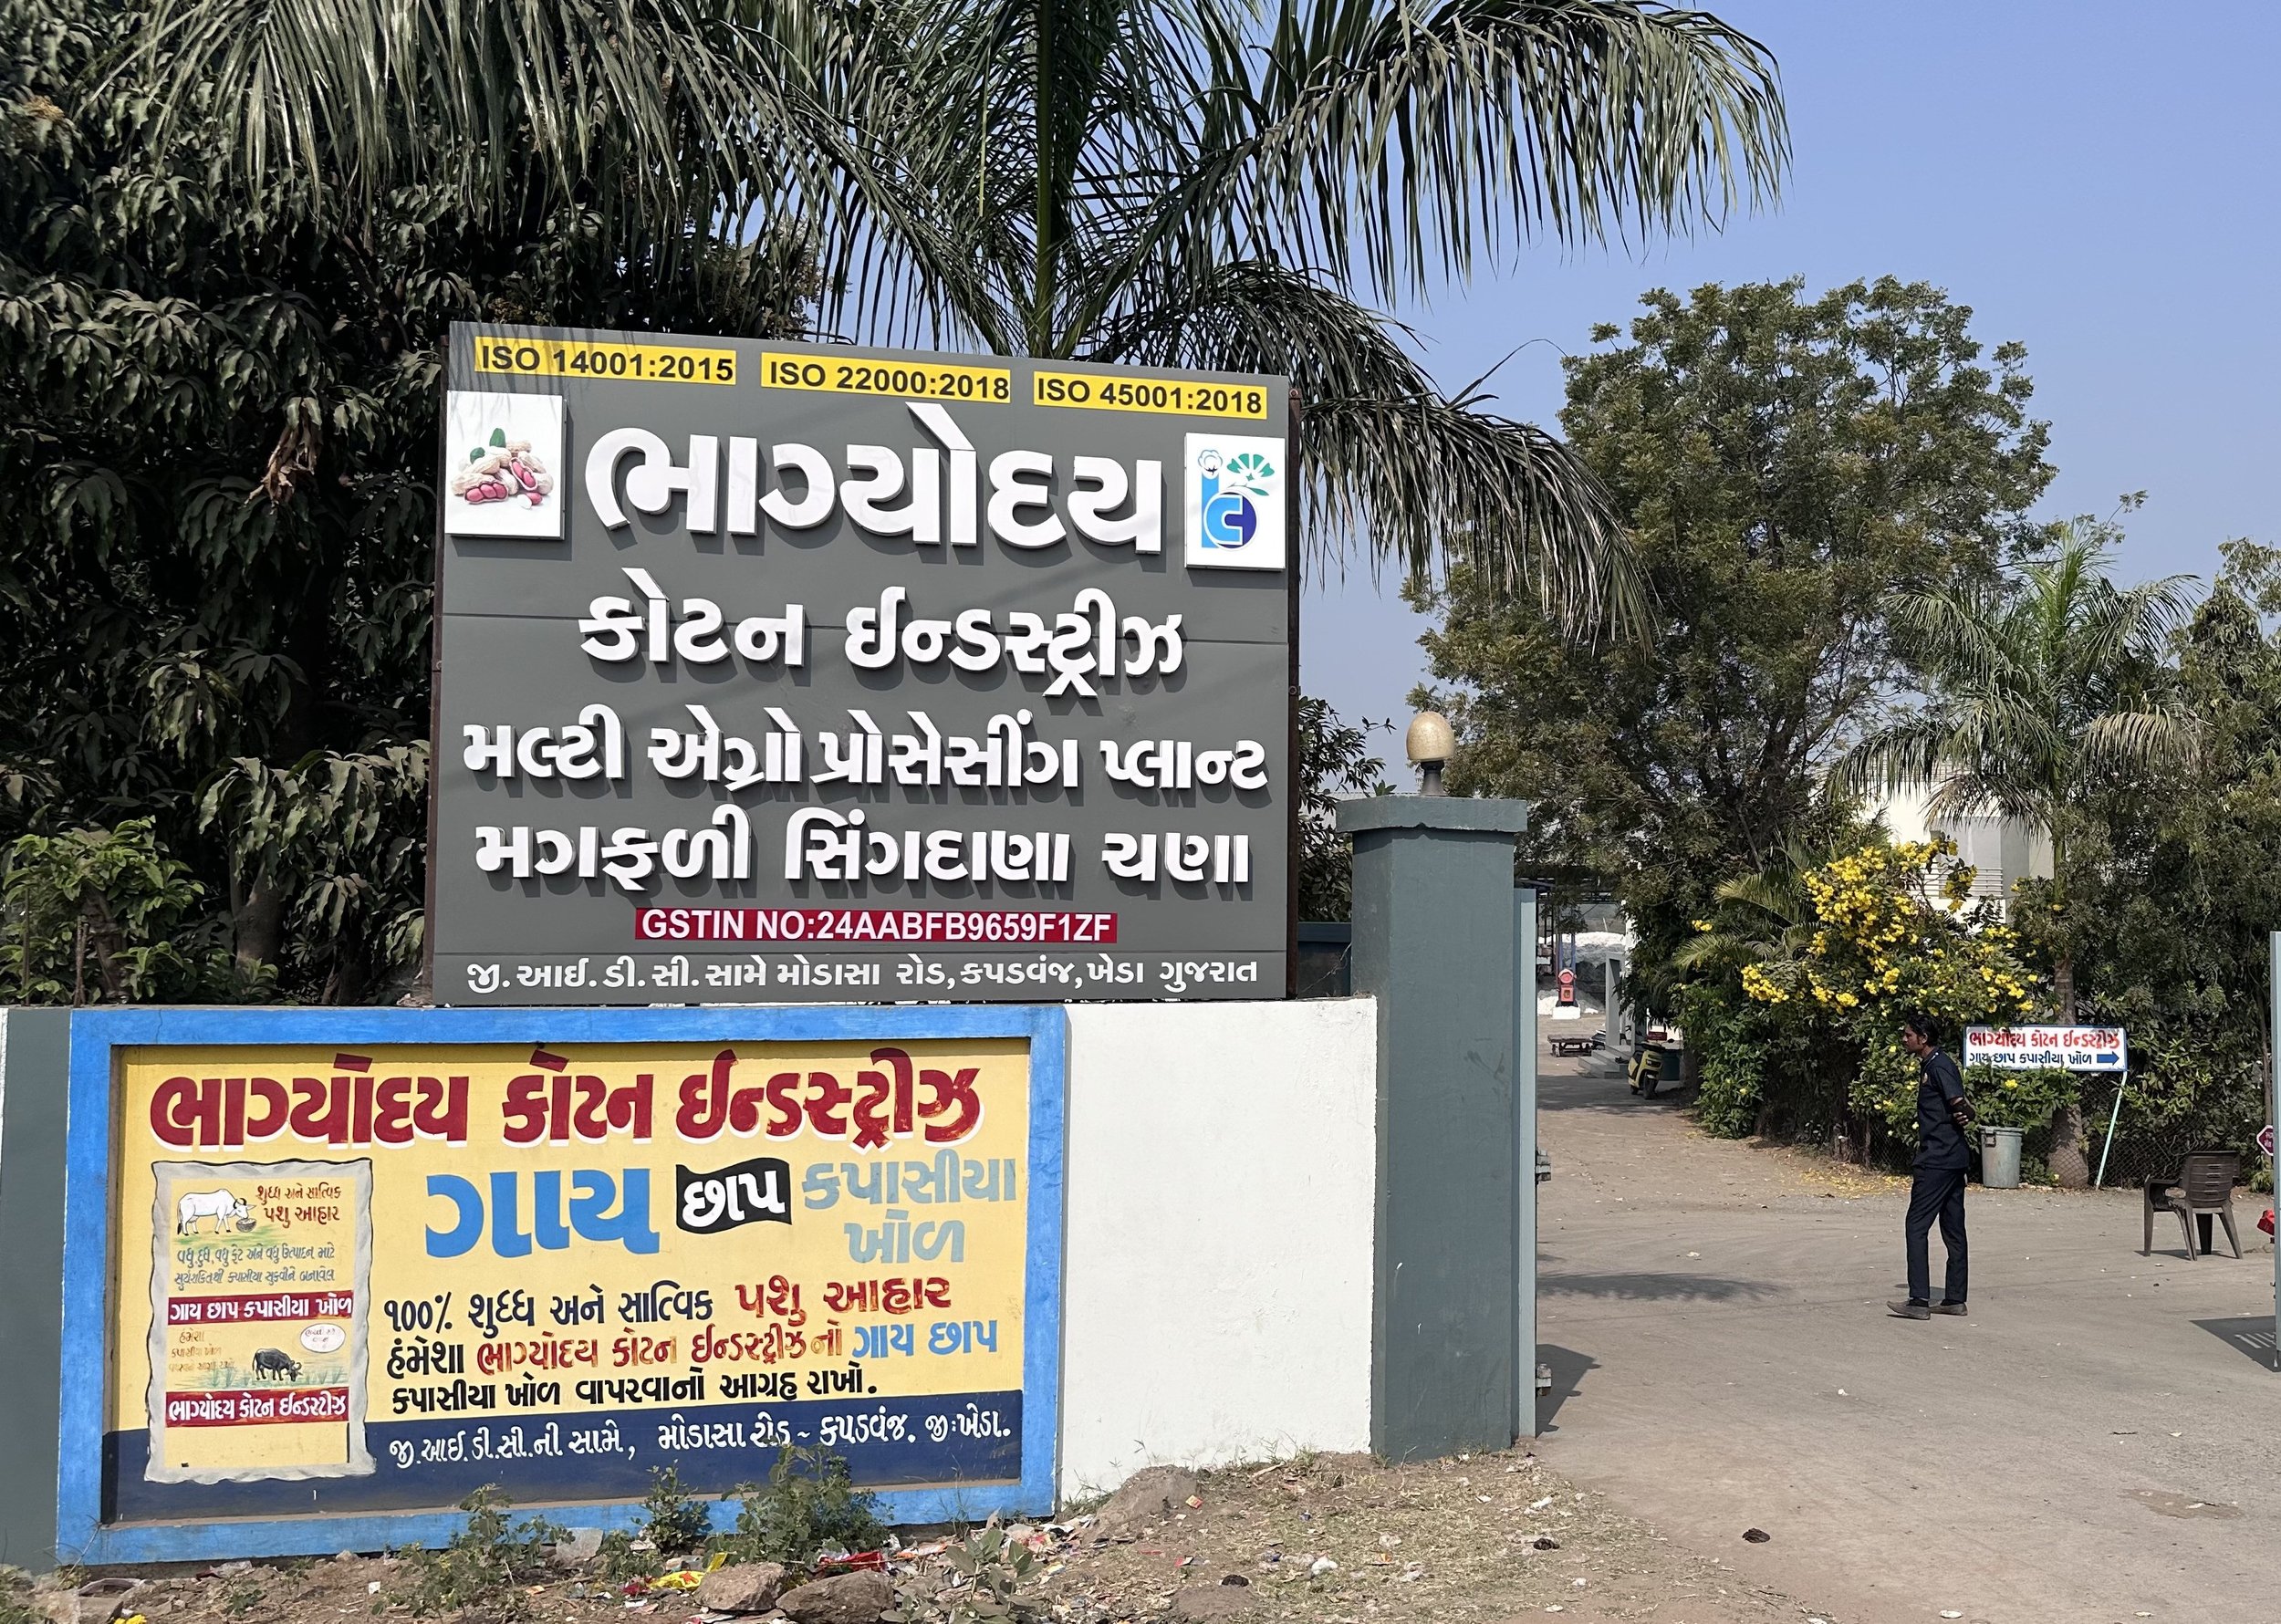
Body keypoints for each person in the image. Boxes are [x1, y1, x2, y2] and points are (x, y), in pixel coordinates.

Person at [1890, 1011, 1970, 1320]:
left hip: (1938, 1161)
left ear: (1923, 1039)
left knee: (1916, 1226)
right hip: (1951, 1158)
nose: (1905, 1039)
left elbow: (1958, 1103)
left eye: (1909, 1035)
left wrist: (1966, 1112)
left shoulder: (1939, 1066)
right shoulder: (1932, 1064)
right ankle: (1953, 1299)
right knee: (1953, 1229)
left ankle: (1919, 1300)